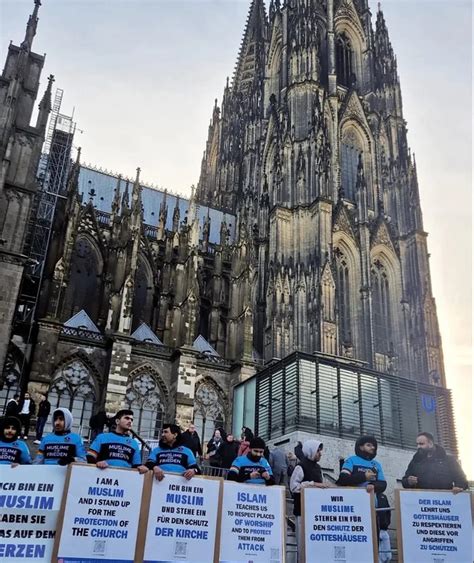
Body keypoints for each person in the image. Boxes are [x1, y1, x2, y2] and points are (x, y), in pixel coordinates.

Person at [290, 440, 332, 559]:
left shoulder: (318, 468)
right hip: (302, 511)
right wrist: (313, 484)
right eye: (318, 451)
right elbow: (294, 486)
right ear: (311, 450)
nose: (320, 453)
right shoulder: (300, 466)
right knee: (302, 545)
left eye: (320, 451)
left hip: (316, 512)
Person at [401, 431, 468, 492]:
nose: (418, 447)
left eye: (421, 444)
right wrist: (408, 481)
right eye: (417, 444)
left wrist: (458, 487)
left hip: (445, 501)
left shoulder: (448, 460)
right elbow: (404, 481)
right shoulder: (415, 461)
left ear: (430, 444)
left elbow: (462, 480)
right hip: (422, 501)